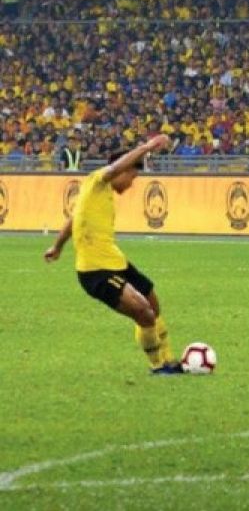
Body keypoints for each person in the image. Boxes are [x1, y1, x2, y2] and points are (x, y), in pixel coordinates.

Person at [42, 134, 183, 373]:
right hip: (96, 271)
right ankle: (158, 366)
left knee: (153, 305)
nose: (131, 184)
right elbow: (116, 167)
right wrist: (147, 147)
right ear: (123, 170)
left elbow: (73, 219)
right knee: (144, 313)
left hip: (116, 262)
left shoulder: (98, 192)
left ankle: (170, 360)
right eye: (132, 177)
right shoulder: (98, 179)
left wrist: (57, 246)